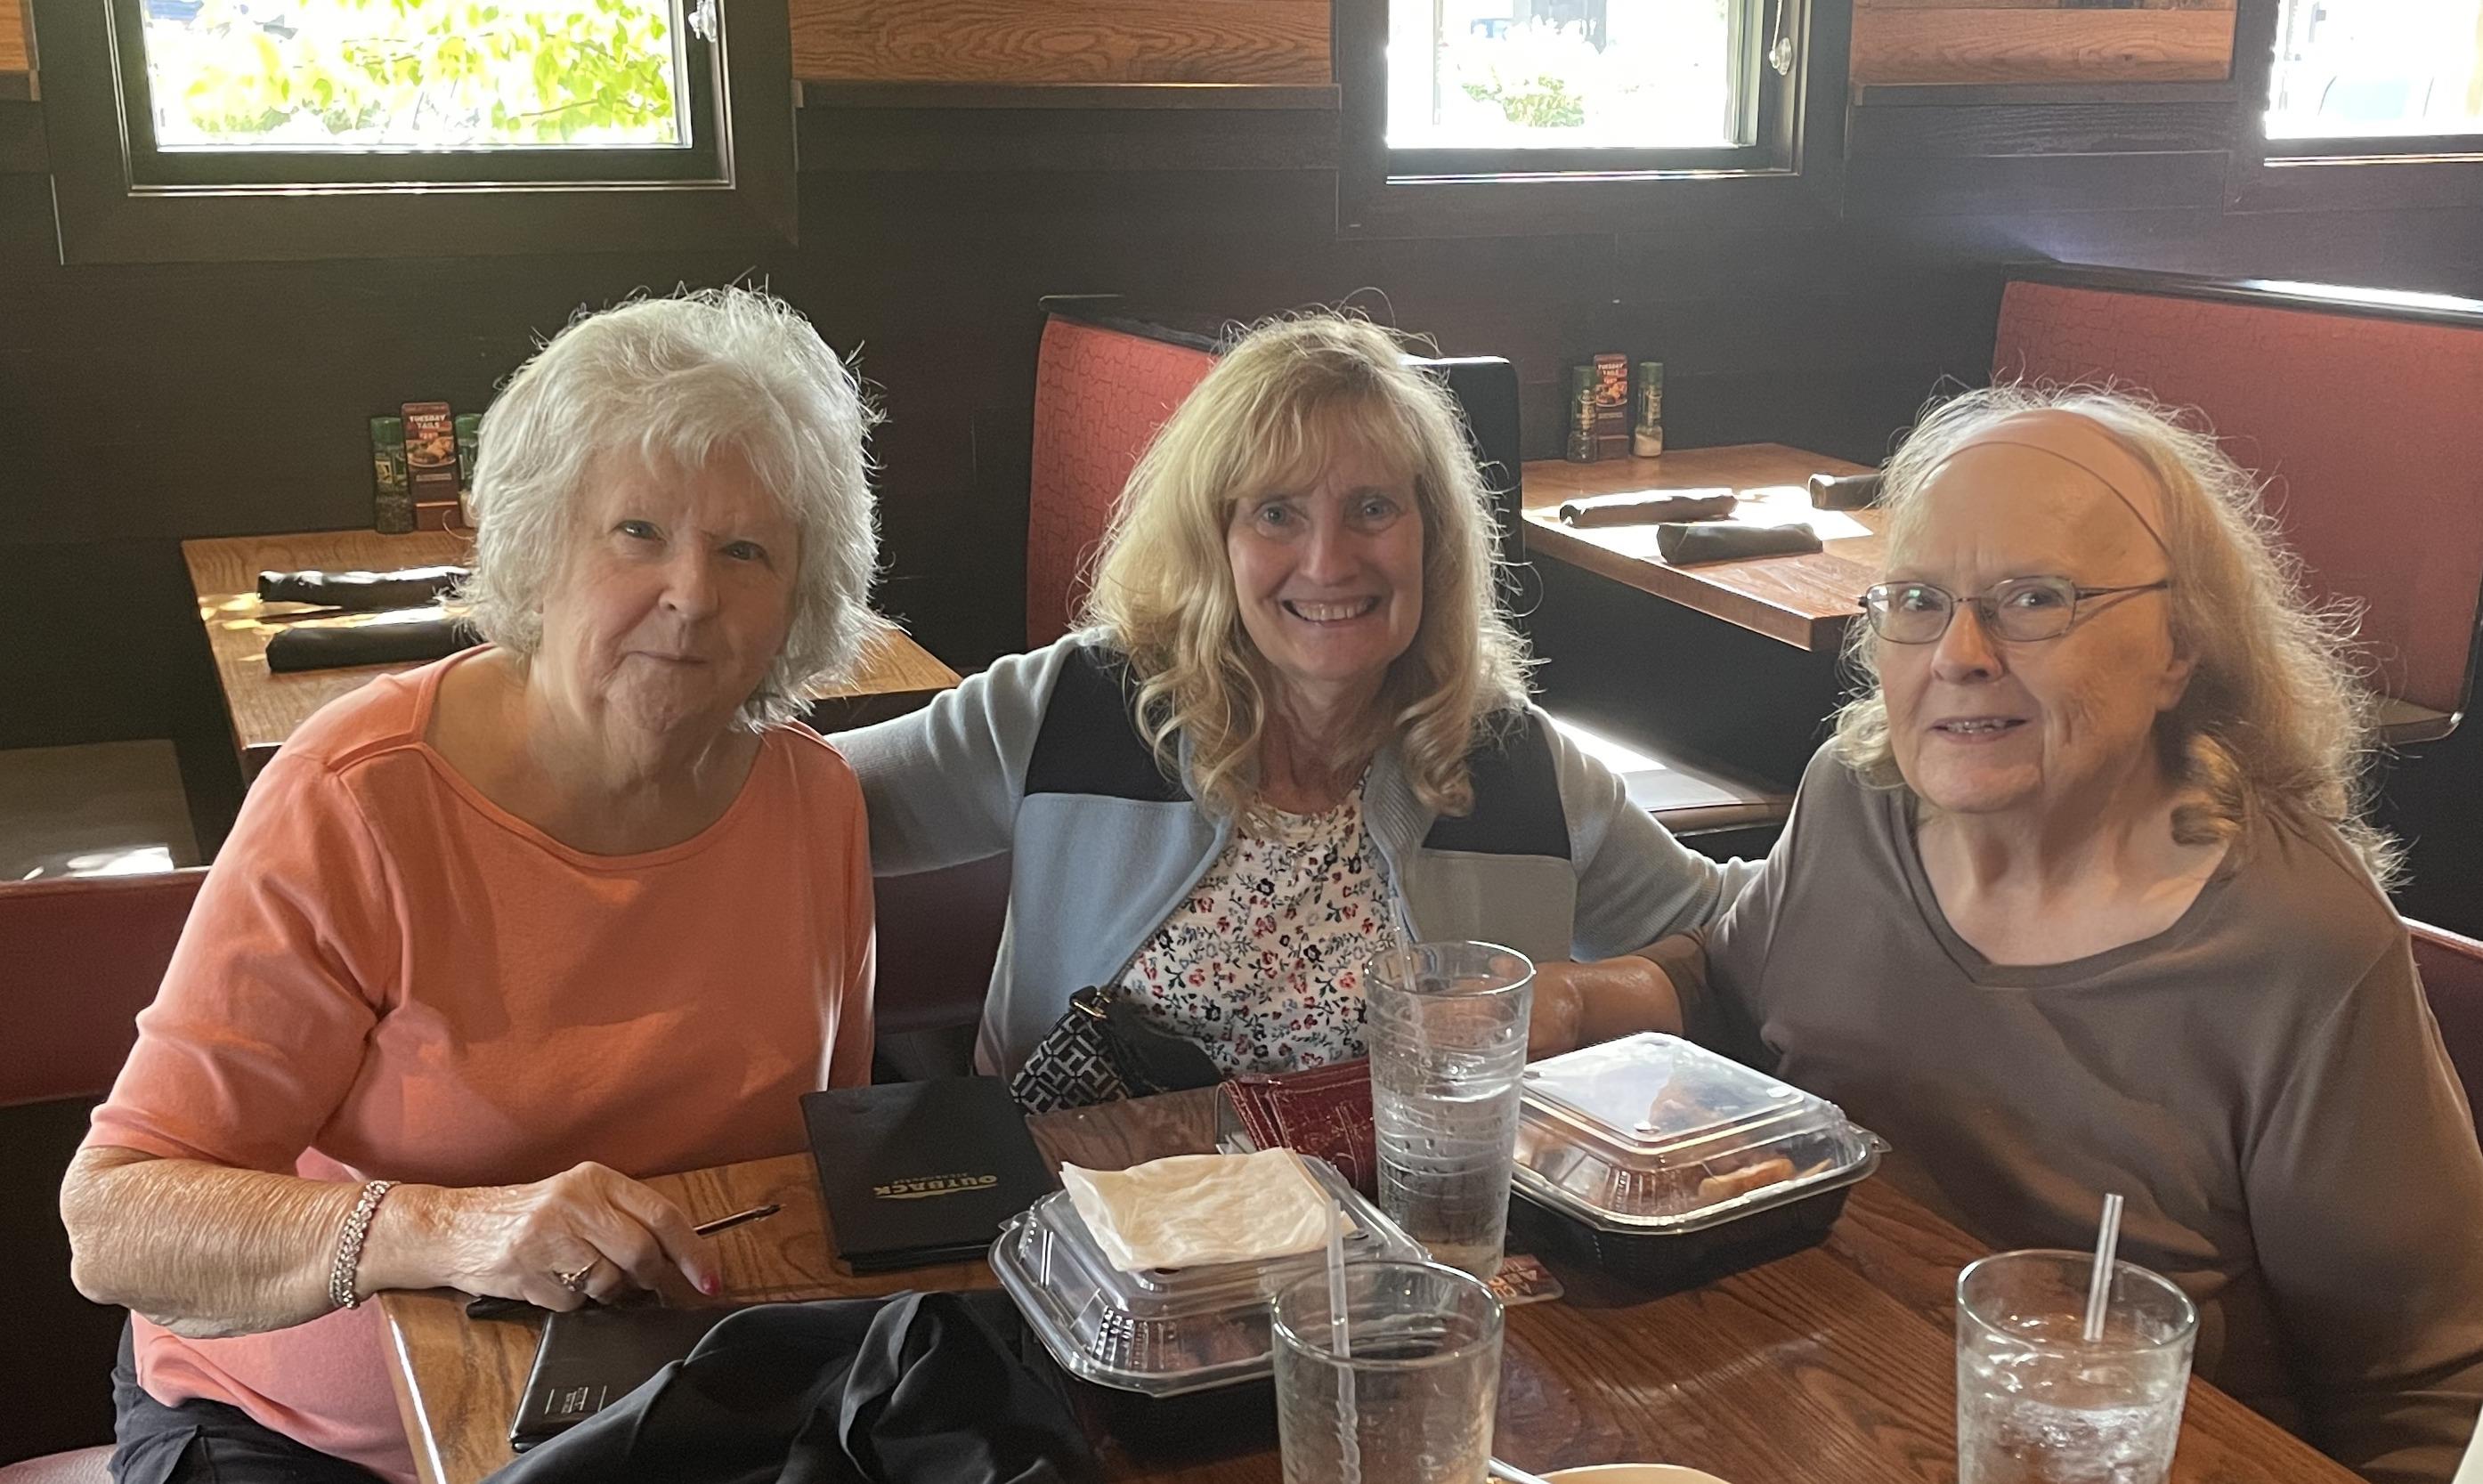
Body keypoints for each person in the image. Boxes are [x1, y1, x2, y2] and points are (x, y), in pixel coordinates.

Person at [1540, 386, 2483, 1484]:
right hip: (1825, 1400)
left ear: (2180, 643)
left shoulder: (2296, 947)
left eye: (2034, 598)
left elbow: (2426, 1391)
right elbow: (1733, 979)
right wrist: (1589, 997)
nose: (1960, 652)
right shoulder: (1858, 798)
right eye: (1917, 599)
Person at [60, 288, 884, 1484]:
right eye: (636, 531)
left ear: (800, 596)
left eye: (745, 548)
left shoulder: (816, 802)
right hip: (308, 1436)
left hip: (658, 1413)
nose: (693, 592)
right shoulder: (357, 794)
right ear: (539, 546)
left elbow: (812, 1164)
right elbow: (116, 1218)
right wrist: (452, 1227)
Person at [838, 312, 1749, 1090]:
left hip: (1405, 1270)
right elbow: (793, 801)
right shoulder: (1078, 707)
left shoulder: (1514, 765)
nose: (1326, 562)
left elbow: (1739, 938)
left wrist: (1874, 820)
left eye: (1371, 509)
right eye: (1275, 512)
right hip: (1085, 1258)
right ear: (1214, 540)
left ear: (1430, 538)